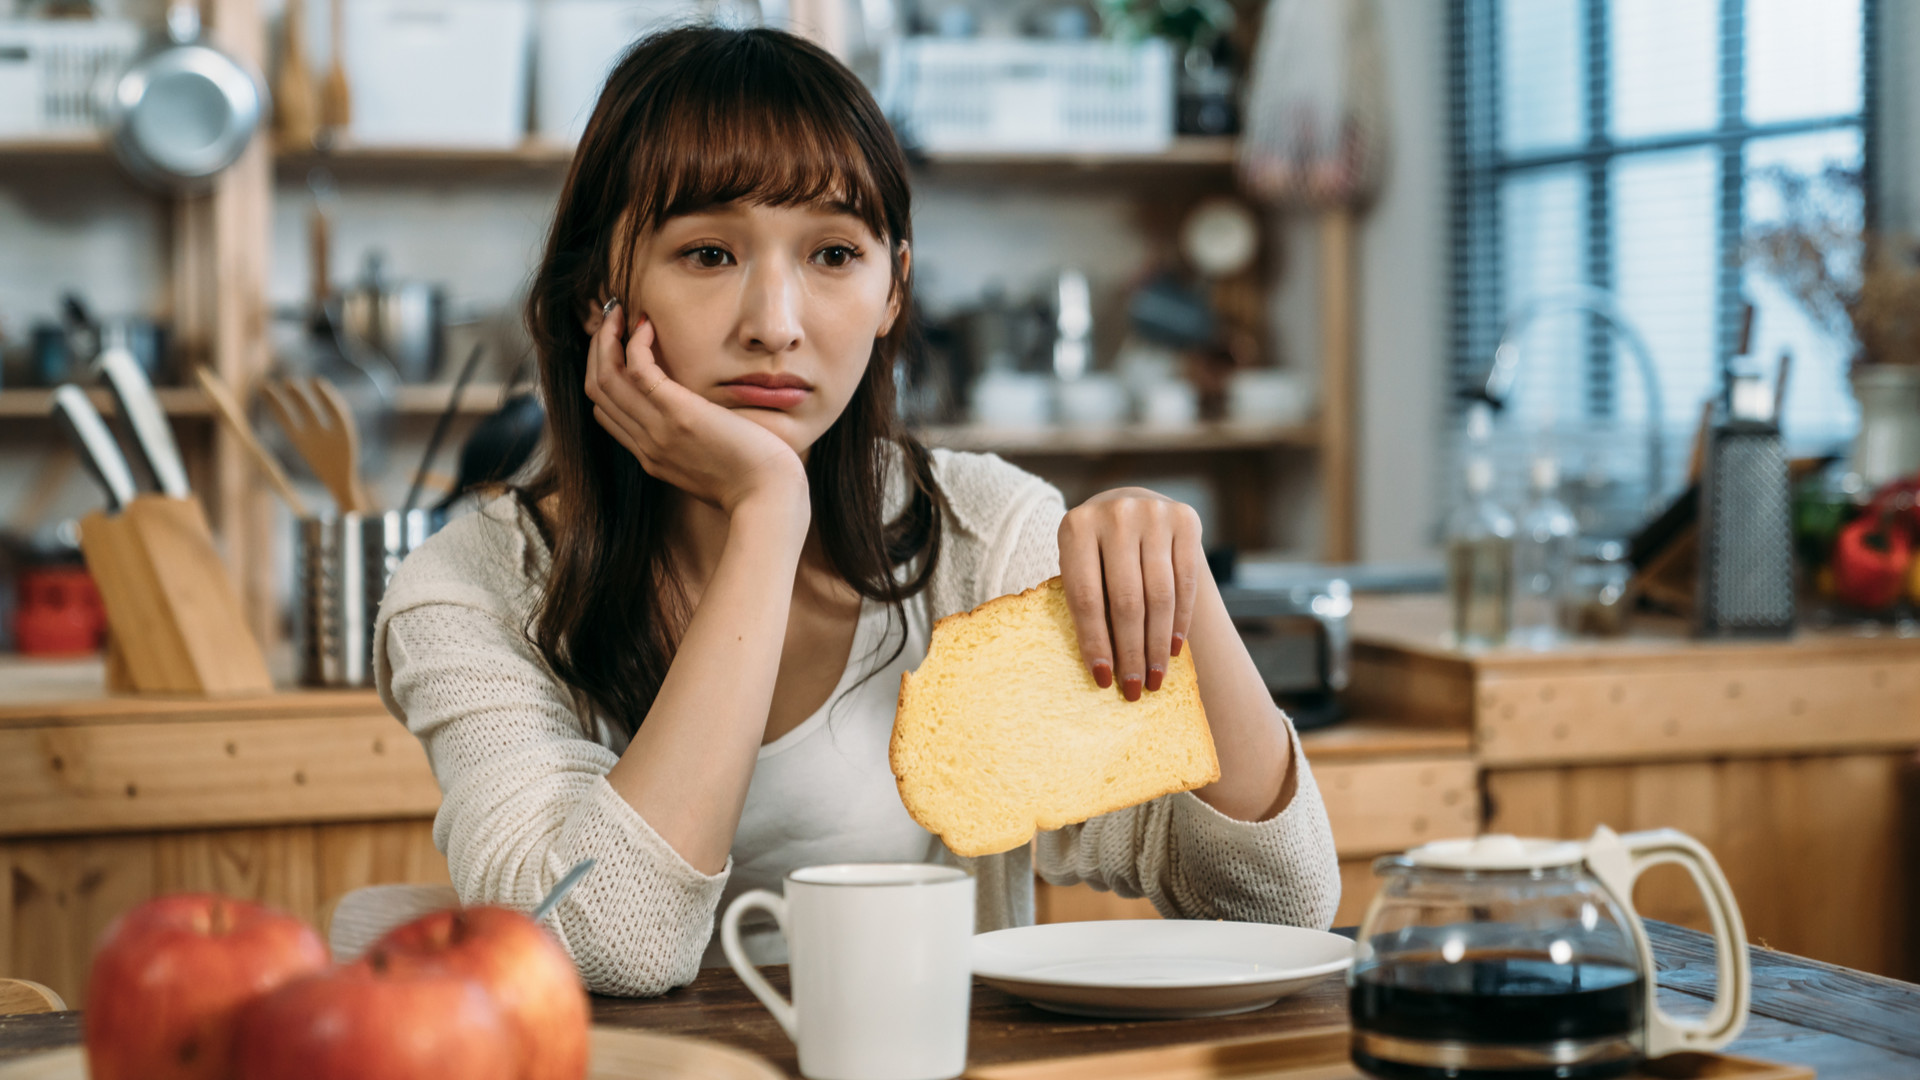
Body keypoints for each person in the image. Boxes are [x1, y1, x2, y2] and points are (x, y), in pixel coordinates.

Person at [373, 24, 1338, 997]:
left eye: (834, 254)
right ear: (599, 294)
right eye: (708, 252)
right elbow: (604, 940)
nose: (775, 323)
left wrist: (1184, 585)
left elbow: (1274, 909)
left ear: (893, 290)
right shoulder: (473, 589)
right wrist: (766, 511)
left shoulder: (979, 538)